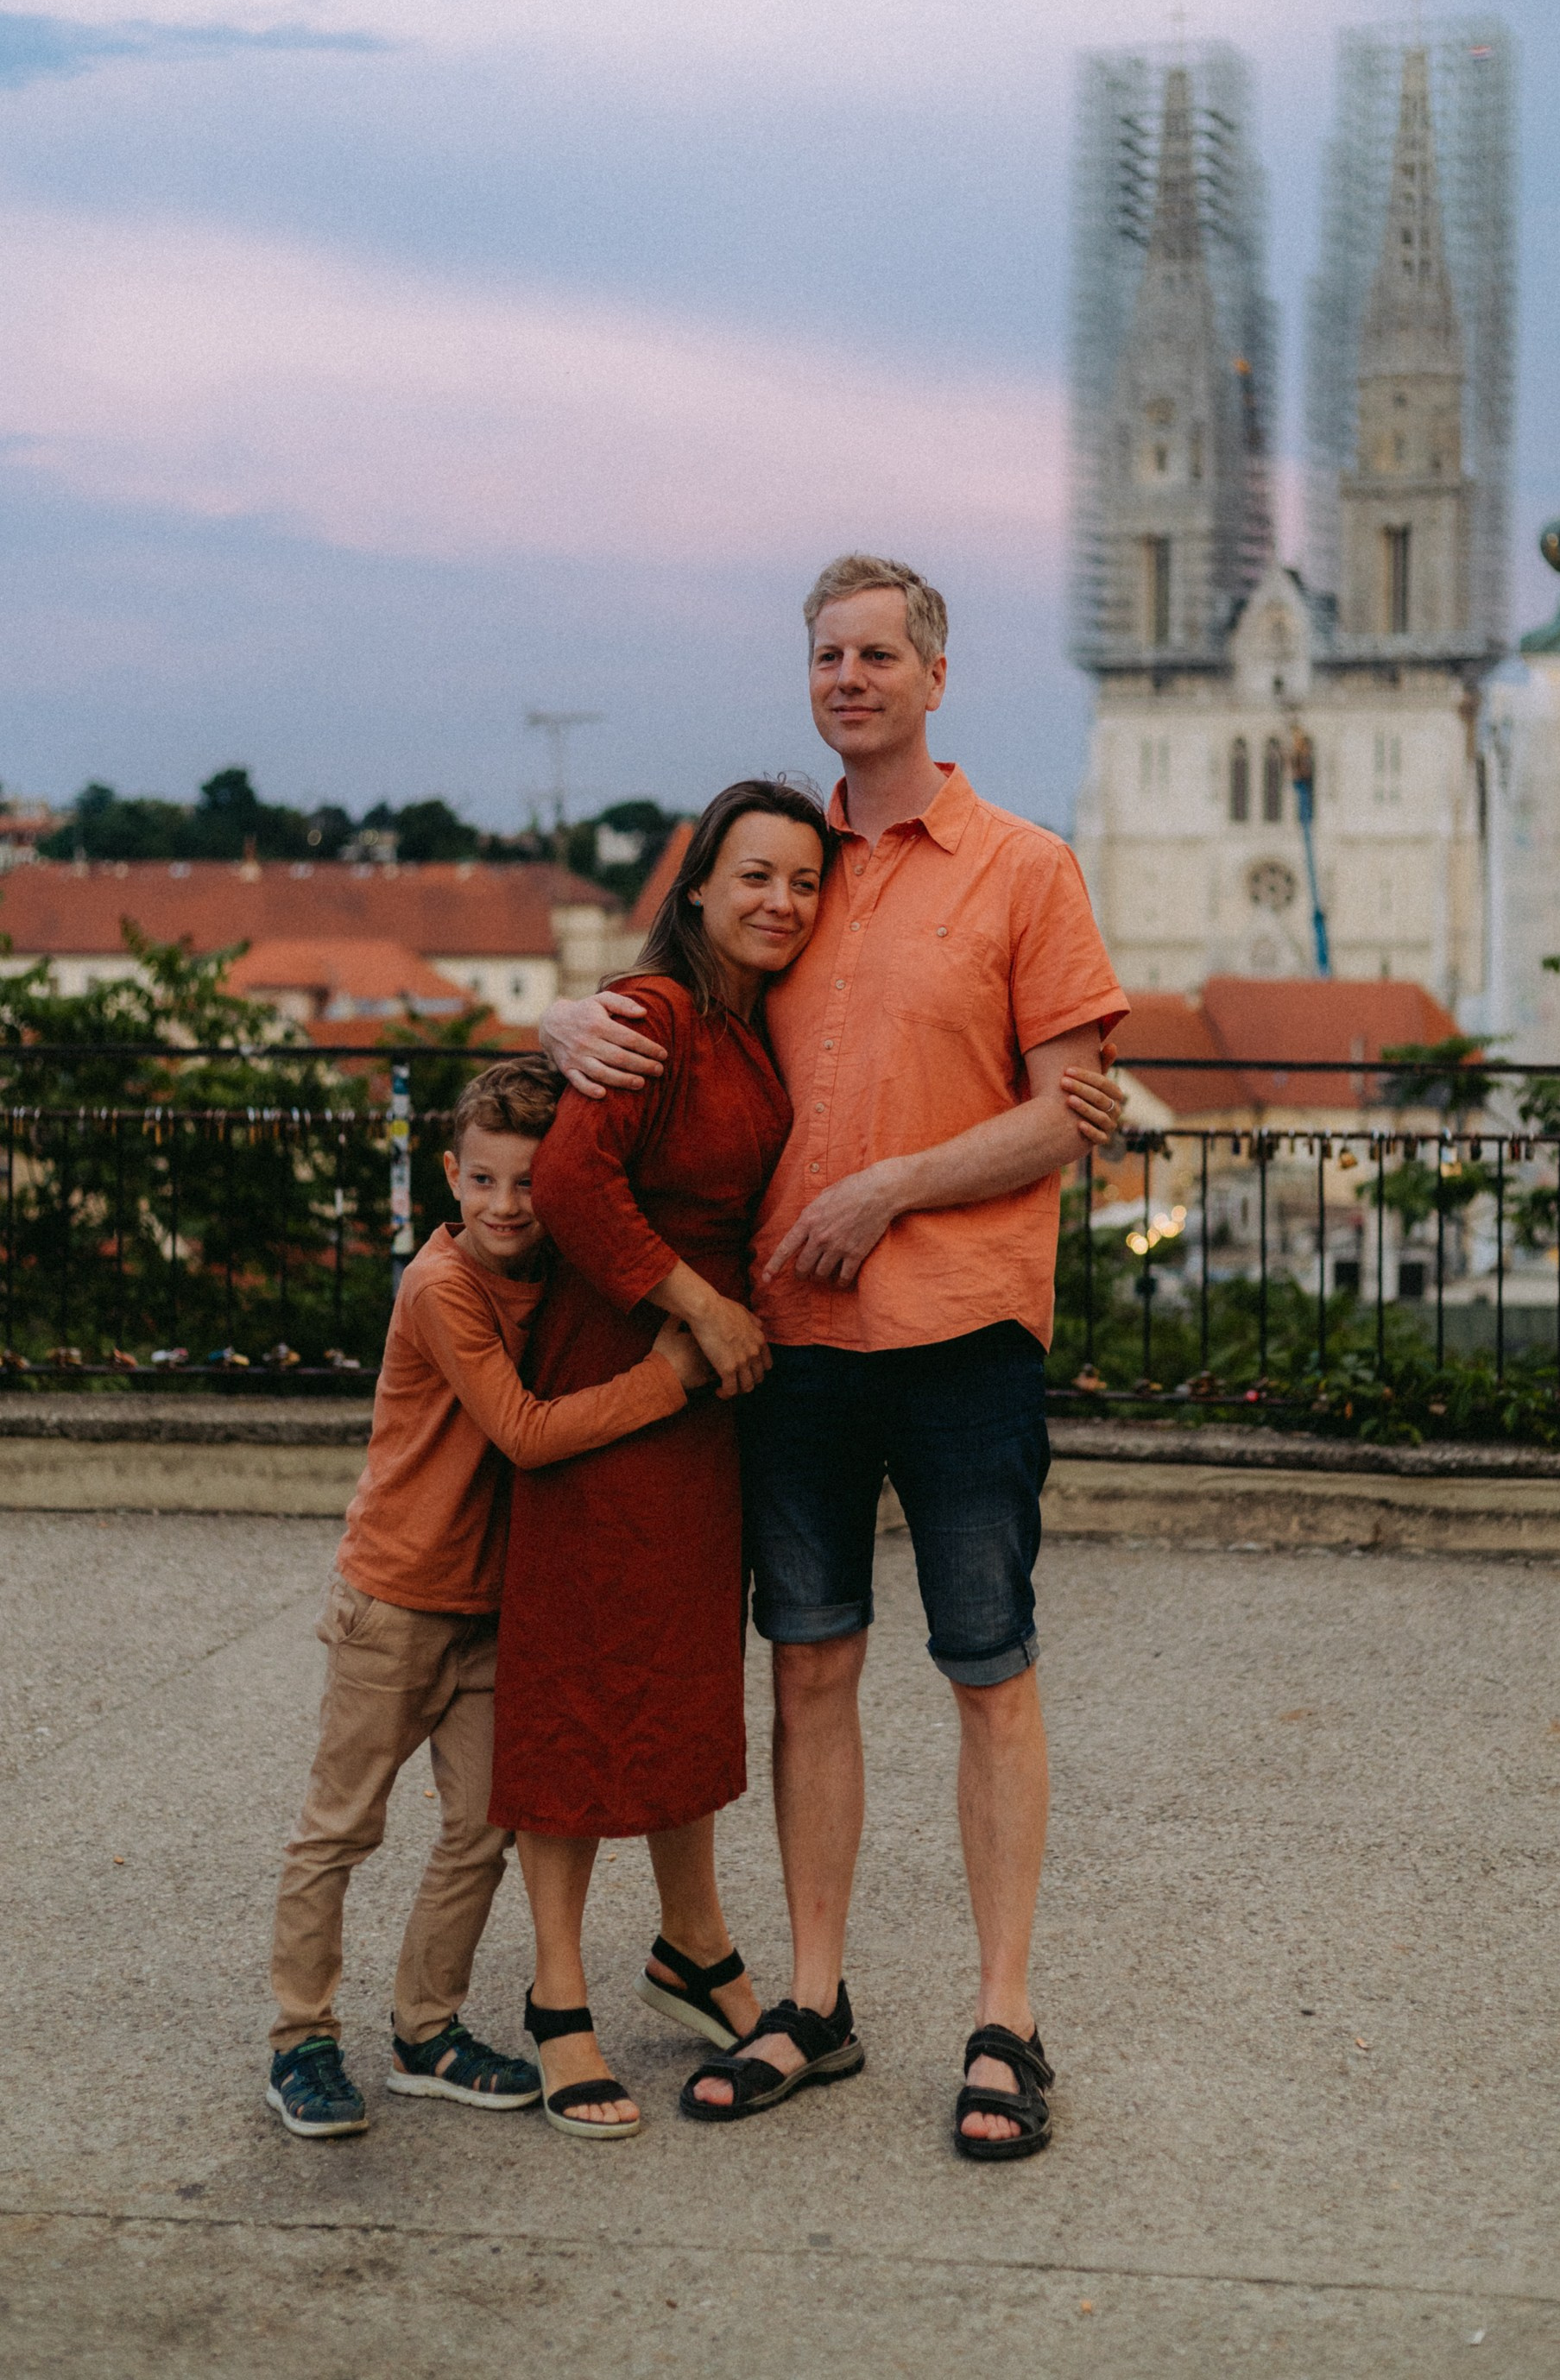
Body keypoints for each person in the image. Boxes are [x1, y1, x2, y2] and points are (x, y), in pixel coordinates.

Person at [541, 554, 1129, 2162]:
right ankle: (812, 1998)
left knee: (988, 1675)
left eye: (878, 653)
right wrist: (549, 1033)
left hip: (965, 1333)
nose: (850, 677)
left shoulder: (1024, 868)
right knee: (808, 1668)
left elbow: (1069, 1111)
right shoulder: (786, 867)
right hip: (791, 1347)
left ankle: (1006, 2020)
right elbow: (653, 1006)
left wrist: (889, 1186)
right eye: (826, 655)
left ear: (937, 674)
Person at [266, 1053, 708, 2138]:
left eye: (528, 1186)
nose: (506, 1207)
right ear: (448, 1176)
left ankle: (425, 2029)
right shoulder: (442, 1286)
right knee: (340, 1829)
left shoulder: (550, 1273)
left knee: (481, 1830)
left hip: (490, 1606)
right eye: (482, 1183)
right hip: (397, 1598)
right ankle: (301, 2042)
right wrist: (669, 1376)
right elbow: (522, 1430)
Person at [488, 780, 828, 2139]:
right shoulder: (657, 1017)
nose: (779, 903)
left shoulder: (751, 1030)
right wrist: (693, 1309)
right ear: (696, 887)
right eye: (754, 876)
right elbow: (571, 1185)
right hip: (622, 1369)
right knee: (577, 1676)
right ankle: (558, 1999)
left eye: (803, 881)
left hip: (705, 1403)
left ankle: (692, 1944)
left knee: (684, 1672)